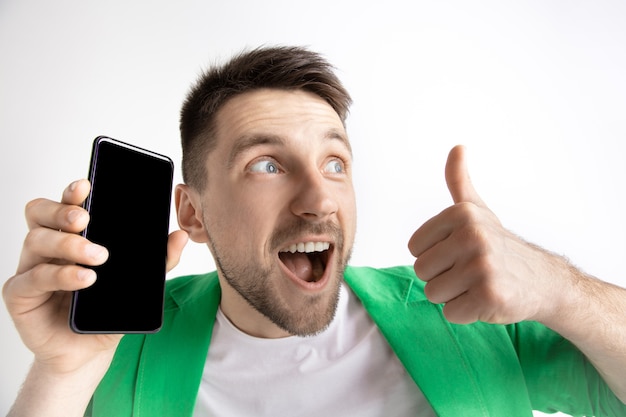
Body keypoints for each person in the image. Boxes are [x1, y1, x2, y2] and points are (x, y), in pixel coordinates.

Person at [3, 45, 626, 417]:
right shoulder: (120, 343)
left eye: (335, 162)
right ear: (192, 212)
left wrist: (558, 288)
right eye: (266, 165)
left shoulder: (466, 314)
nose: (320, 196)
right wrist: (62, 373)